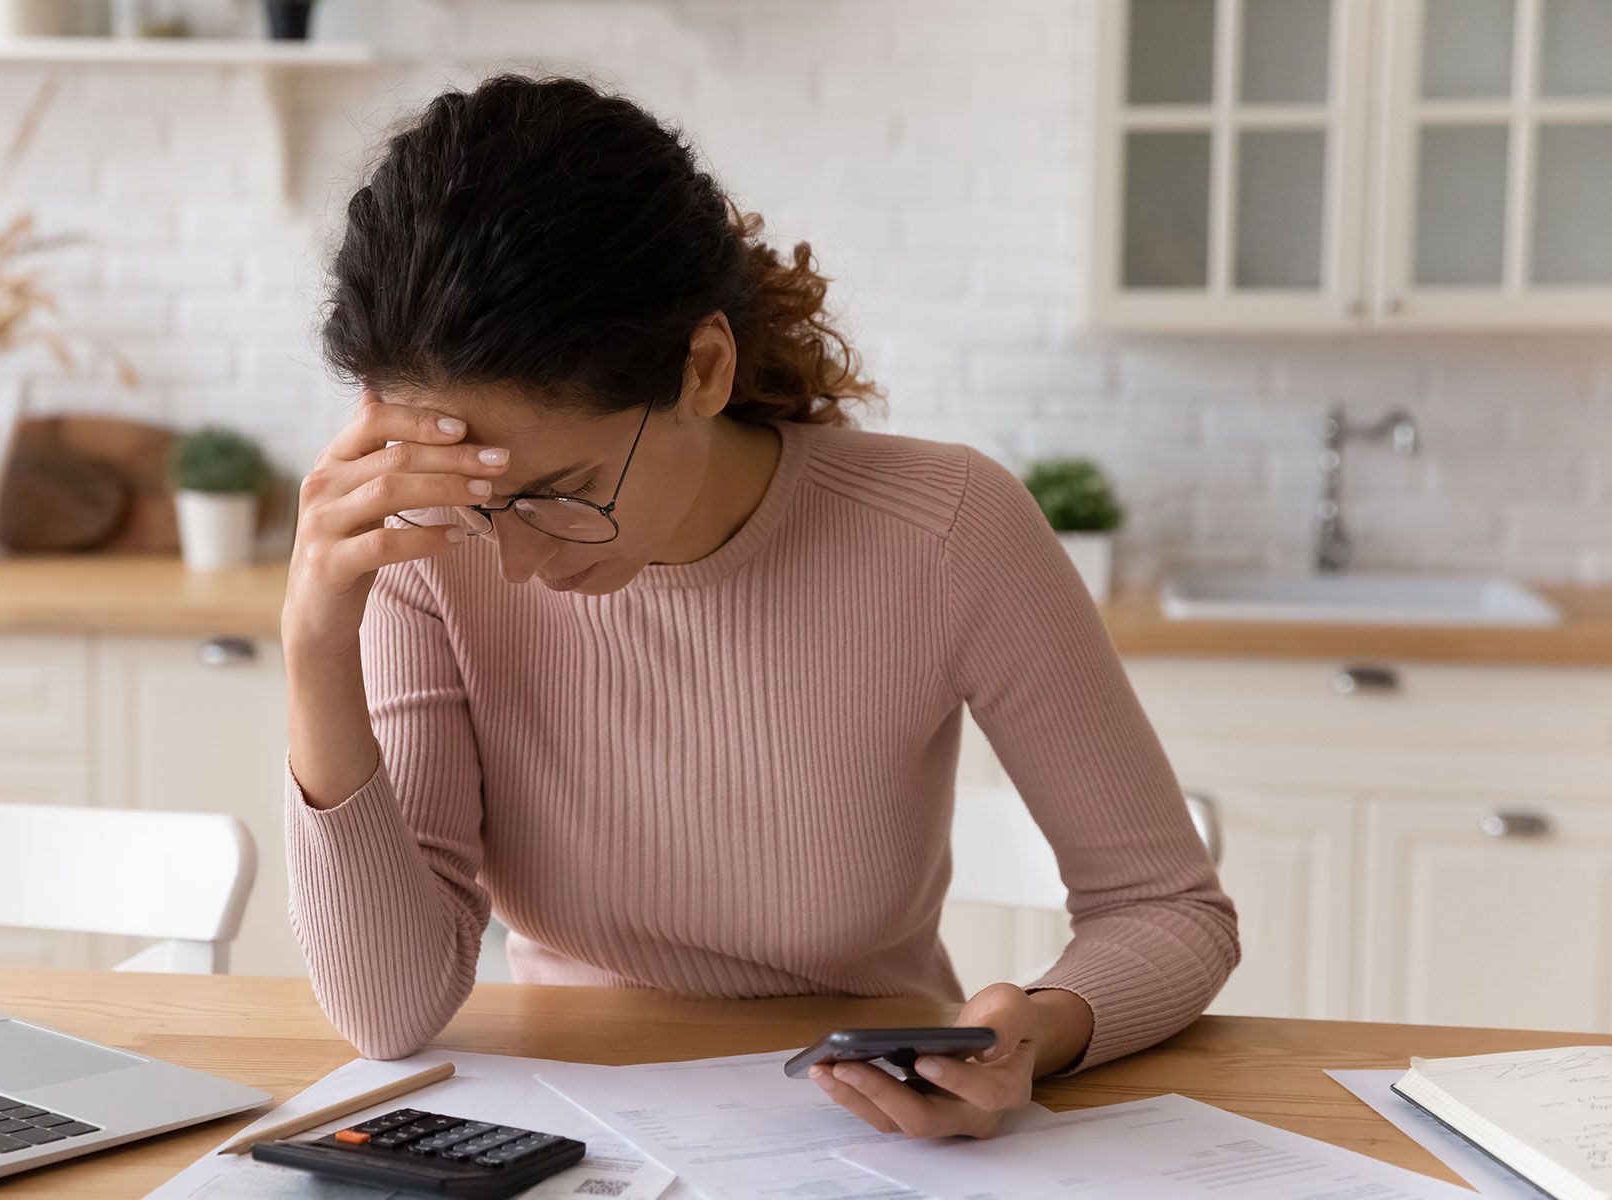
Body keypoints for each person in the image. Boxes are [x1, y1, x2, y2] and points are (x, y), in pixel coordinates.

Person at [281, 73, 1238, 1141]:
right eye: (478, 505)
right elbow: (387, 1010)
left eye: (564, 494)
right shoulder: (427, 553)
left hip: (875, 1137)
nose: (510, 562)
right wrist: (319, 641)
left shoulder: (945, 531)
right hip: (572, 1132)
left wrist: (1040, 1033)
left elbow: (1166, 908)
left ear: (702, 367)